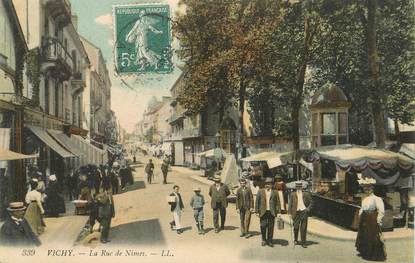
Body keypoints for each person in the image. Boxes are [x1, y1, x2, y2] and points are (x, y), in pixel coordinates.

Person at [355, 183, 387, 261]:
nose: (367, 191)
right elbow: (362, 208)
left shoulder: (377, 198)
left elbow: (381, 210)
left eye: (369, 189)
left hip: (372, 218)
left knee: (372, 235)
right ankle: (365, 252)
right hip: (364, 218)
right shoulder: (365, 199)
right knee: (364, 235)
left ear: (372, 189)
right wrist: (360, 216)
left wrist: (378, 220)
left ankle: (373, 254)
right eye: (365, 189)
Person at [255, 178, 281, 247]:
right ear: (264, 184)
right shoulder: (260, 191)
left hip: (271, 211)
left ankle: (270, 240)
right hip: (263, 211)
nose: (267, 185)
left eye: (269, 184)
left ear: (272, 185)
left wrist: (279, 212)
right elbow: (257, 201)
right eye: (266, 184)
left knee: (271, 226)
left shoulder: (275, 192)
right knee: (263, 226)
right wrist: (257, 211)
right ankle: (263, 239)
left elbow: (278, 202)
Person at [288, 181, 313, 248]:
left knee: (303, 228)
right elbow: (290, 204)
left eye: (300, 187)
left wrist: (307, 209)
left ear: (302, 187)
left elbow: (311, 202)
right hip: (295, 212)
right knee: (296, 227)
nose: (298, 188)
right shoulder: (293, 194)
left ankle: (303, 242)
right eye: (297, 187)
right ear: (295, 187)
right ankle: (295, 239)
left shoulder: (306, 194)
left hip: (303, 212)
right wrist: (289, 212)